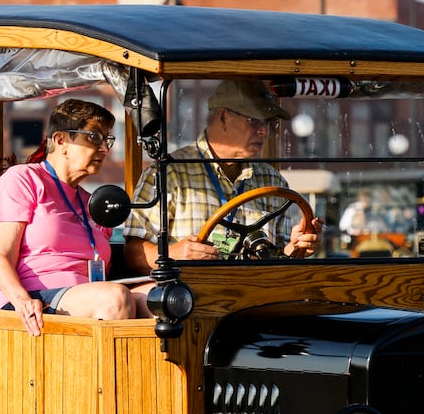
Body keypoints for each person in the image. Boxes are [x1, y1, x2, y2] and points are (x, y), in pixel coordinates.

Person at [0, 98, 150, 337]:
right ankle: (102, 374)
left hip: (83, 299)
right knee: (114, 298)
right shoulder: (23, 179)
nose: (104, 148)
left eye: (107, 139)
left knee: (160, 299)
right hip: (24, 302)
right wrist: (22, 301)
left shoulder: (93, 202)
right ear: (61, 141)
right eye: (94, 137)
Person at [123, 80, 322, 273]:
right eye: (254, 121)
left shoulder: (273, 181)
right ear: (223, 117)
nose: (264, 131)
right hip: (192, 299)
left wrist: (296, 247)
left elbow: (278, 260)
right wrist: (174, 253)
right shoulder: (168, 173)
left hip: (258, 295)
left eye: (269, 122)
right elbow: (132, 254)